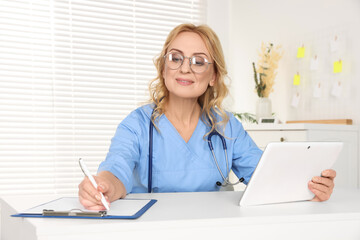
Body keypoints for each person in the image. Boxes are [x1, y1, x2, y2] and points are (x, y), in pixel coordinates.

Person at [78, 23, 336, 210]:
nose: (185, 67)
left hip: (211, 230)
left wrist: (310, 187)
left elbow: (264, 176)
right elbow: (117, 169)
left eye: (199, 61)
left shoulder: (226, 126)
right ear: (164, 68)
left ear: (213, 76)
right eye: (175, 58)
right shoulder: (137, 124)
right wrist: (103, 186)